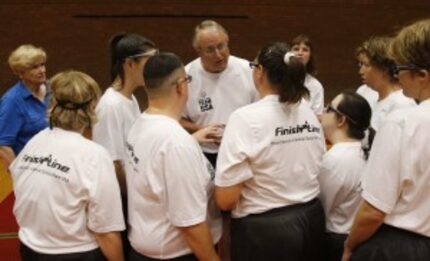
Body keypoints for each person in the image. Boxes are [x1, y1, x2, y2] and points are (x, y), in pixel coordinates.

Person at [215, 42, 326, 261]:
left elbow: (225, 199)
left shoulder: (244, 118)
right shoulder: (307, 110)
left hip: (265, 231)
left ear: (260, 72)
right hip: (312, 219)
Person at [10, 70, 125, 261]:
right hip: (74, 253)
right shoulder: (95, 155)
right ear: (92, 107)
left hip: (29, 248)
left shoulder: (36, 140)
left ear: (52, 103)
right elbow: (106, 230)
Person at [342, 19, 430, 261]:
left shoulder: (403, 121)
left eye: (400, 68)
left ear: (422, 74)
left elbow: (374, 210)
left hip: (399, 244)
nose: (397, 76)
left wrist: (350, 245)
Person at [125, 53, 222, 261]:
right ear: (181, 86)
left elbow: (157, 162)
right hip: (177, 254)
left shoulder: (141, 123)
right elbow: (190, 224)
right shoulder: (176, 143)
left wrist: (192, 140)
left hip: (145, 247)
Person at [180, 20, 258, 167]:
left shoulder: (248, 70)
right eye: (210, 50)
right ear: (199, 51)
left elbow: (262, 110)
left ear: (227, 43)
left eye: (221, 46)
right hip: (204, 153)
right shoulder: (185, 77)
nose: (218, 54)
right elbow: (176, 118)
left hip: (244, 150)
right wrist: (200, 129)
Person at [93, 33, 157, 196]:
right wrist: (130, 199)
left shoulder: (131, 98)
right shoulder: (110, 105)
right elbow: (112, 164)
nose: (153, 68)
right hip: (122, 197)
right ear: (130, 64)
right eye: (149, 62)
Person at [319, 90, 374, 261]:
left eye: (328, 108)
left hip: (336, 240)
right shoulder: (363, 150)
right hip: (358, 238)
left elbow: (322, 209)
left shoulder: (335, 158)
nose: (322, 111)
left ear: (341, 120)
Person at [0, 44, 49, 167]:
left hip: (57, 165)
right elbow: (3, 145)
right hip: (32, 169)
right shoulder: (12, 101)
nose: (42, 70)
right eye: (34, 67)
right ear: (21, 73)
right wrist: (18, 174)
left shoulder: (53, 90)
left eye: (42, 65)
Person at [356, 36, 416, 130]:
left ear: (384, 68)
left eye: (366, 65)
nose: (360, 71)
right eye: (360, 64)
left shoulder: (402, 103)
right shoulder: (363, 92)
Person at [291, 34, 325, 116]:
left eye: (305, 50)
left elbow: (318, 116)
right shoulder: (278, 80)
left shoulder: (316, 86)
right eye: (296, 49)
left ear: (310, 56)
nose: (300, 53)